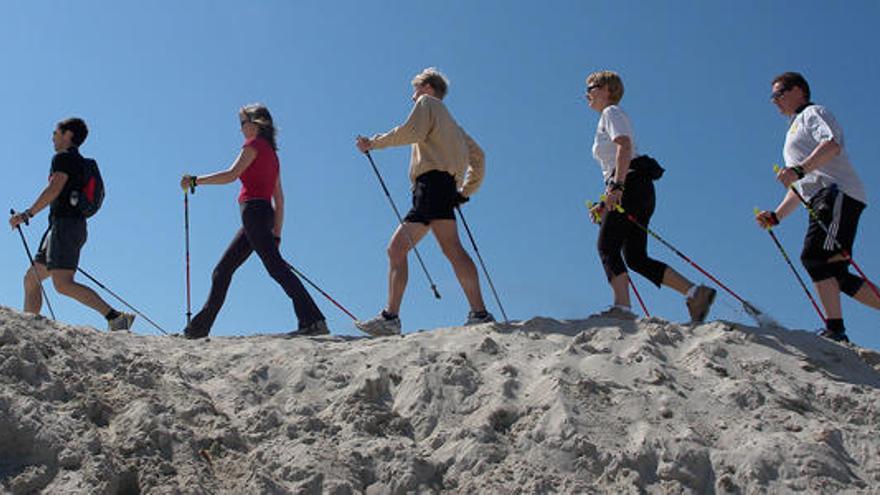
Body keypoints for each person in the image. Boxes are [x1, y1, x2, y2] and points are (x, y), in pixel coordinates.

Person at [354, 67, 493, 336]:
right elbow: (480, 158)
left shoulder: (427, 103)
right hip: (443, 188)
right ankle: (478, 313)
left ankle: (391, 318)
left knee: (406, 249)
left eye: (415, 89)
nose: (412, 96)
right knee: (439, 249)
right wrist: (464, 191)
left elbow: (411, 131)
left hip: (430, 186)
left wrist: (373, 143)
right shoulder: (455, 126)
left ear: (428, 88)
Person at [180, 104, 327, 339]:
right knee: (223, 270)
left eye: (242, 123)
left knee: (274, 268)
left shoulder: (253, 146)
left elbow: (230, 175)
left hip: (253, 213)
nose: (240, 129)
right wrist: (277, 233)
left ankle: (314, 320)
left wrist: (196, 181)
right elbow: (279, 199)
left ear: (255, 123)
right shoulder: (272, 154)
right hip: (263, 214)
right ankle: (198, 329)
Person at [756, 72, 879, 343]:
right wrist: (777, 215)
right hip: (825, 197)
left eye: (779, 94)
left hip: (837, 194)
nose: (774, 101)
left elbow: (831, 145)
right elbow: (802, 187)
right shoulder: (792, 129)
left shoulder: (813, 113)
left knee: (814, 258)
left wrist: (798, 169)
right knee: (835, 271)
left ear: (798, 90)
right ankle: (836, 329)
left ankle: (836, 330)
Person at [585, 70, 716, 322]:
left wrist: (617, 188)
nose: (587, 94)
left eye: (591, 88)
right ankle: (695, 293)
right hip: (637, 187)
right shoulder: (610, 116)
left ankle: (622, 308)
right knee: (635, 257)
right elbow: (618, 158)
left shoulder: (610, 113)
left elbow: (624, 146)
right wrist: (606, 199)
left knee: (606, 245)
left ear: (607, 89)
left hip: (630, 186)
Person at [8, 118, 135, 331]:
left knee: (63, 283)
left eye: (55, 132)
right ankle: (29, 327)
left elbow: (54, 188)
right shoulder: (76, 161)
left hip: (66, 227)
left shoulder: (63, 158)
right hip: (62, 227)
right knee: (32, 278)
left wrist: (27, 214)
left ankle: (115, 317)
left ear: (68, 134)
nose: (52, 137)